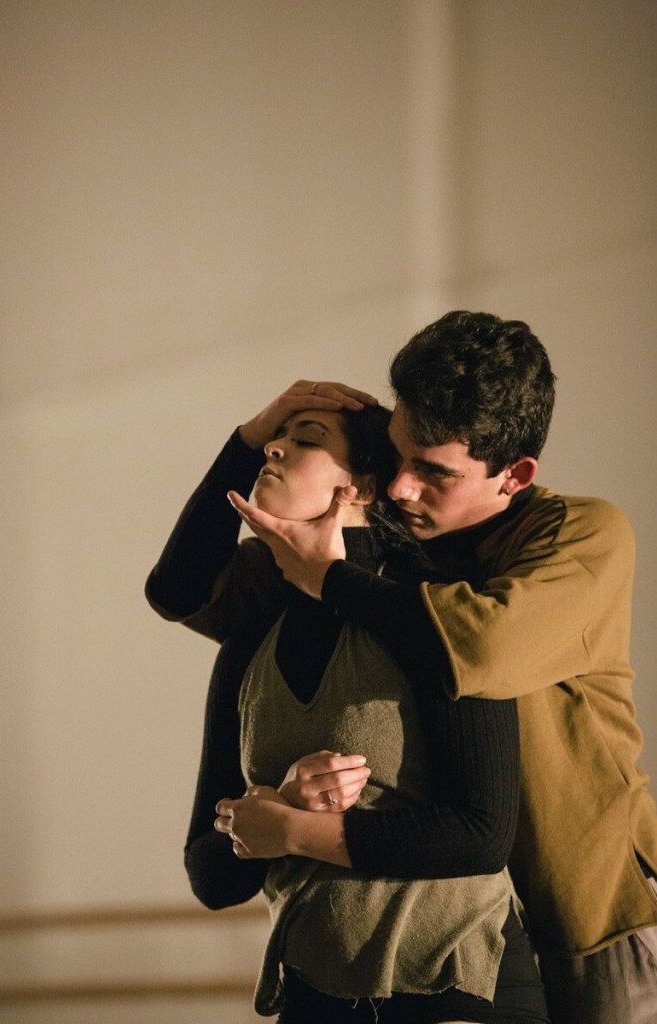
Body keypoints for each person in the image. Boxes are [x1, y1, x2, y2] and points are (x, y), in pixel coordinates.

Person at [227, 311, 657, 1024]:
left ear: (515, 475)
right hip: (475, 925)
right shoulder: (403, 550)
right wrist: (248, 438)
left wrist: (328, 579)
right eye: (398, 457)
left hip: (595, 916)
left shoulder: (584, 533)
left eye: (434, 471)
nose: (401, 487)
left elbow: (484, 648)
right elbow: (181, 592)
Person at [146, 391, 551, 1022]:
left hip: (457, 984)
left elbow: (480, 836)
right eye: (277, 438)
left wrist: (294, 832)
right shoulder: (250, 644)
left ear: (361, 487)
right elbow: (211, 877)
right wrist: (277, 806)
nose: (274, 448)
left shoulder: (434, 611)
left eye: (306, 438)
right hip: (313, 993)